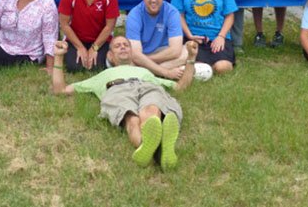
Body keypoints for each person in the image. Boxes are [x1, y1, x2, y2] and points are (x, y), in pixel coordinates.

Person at [51, 36, 199, 171]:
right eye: (117, 46)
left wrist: (191, 58)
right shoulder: (101, 76)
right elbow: (61, 90)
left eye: (125, 45)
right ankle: (159, 150)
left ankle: (152, 147)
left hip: (147, 85)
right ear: (110, 56)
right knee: (131, 119)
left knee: (152, 110)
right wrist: (58, 57)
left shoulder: (146, 72)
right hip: (117, 89)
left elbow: (180, 87)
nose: (122, 47)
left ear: (131, 52)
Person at [58, 0, 120, 72]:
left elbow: (109, 26)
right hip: (76, 39)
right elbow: (64, 24)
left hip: (101, 39)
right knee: (74, 67)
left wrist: (94, 48)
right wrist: (80, 47)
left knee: (97, 67)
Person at [126, 0, 187, 79]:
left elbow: (175, 50)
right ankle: (164, 72)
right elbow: (136, 54)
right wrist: (165, 72)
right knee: (123, 58)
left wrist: (146, 61)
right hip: (143, 53)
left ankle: (146, 72)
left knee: (186, 52)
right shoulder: (134, 14)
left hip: (162, 53)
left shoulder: (172, 12)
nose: (153, 0)